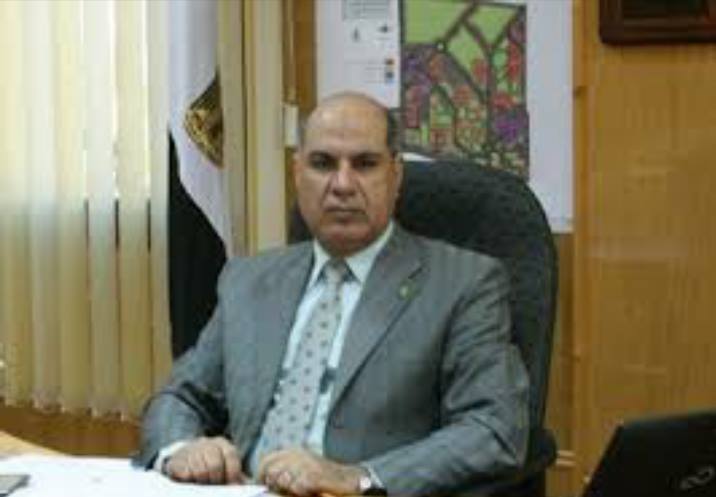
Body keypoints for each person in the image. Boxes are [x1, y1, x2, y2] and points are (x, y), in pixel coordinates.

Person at [135, 92, 529, 496]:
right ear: (297, 173)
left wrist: (357, 478)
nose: (342, 185)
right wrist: (180, 448)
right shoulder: (249, 280)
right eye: (322, 163)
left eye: (365, 164)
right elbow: (180, 396)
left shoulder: (464, 283)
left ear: (396, 175)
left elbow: (493, 429)